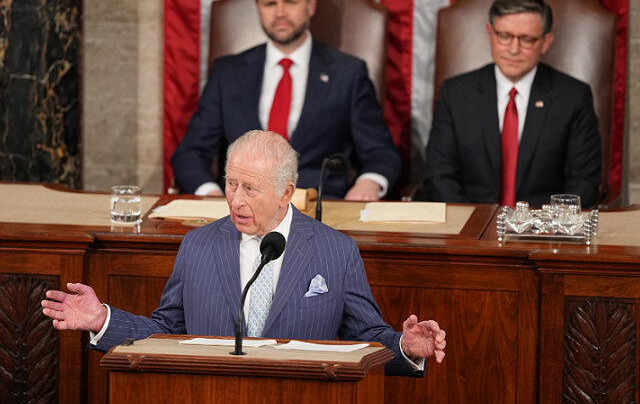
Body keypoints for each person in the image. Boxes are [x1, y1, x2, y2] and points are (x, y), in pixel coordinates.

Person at [42, 130, 445, 376]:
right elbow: (167, 332)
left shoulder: (333, 250)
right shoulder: (199, 245)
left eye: (250, 188)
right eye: (231, 183)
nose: (235, 199)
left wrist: (406, 347)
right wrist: (102, 319)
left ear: (286, 192)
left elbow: (365, 340)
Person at [171, 0, 401, 201]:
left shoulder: (348, 73)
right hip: (240, 209)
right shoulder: (227, 72)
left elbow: (381, 152)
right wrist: (212, 195)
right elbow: (190, 153)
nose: (280, 12)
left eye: (290, 1)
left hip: (319, 209)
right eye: (270, 3)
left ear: (311, 5)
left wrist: (369, 183)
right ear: (258, 8)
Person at [420, 0, 601, 208]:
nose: (513, 49)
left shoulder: (573, 97)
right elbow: (439, 175)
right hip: (471, 230)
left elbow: (583, 182)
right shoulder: (456, 93)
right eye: (504, 36)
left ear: (546, 42)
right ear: (490, 33)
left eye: (526, 39)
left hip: (543, 232)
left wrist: (540, 227)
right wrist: (473, 226)